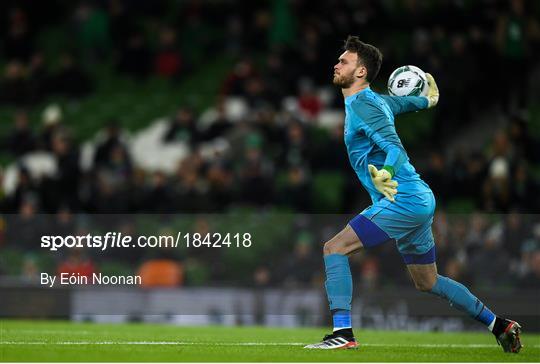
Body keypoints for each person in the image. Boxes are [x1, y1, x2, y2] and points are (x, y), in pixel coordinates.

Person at [304, 36, 522, 353]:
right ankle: (500, 325)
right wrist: (426, 100)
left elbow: (395, 147)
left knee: (334, 248)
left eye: (345, 61)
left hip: (402, 198)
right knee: (427, 281)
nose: (337, 64)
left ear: (361, 71)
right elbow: (402, 102)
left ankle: (343, 332)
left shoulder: (365, 105)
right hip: (418, 199)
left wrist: (387, 172)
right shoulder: (375, 101)